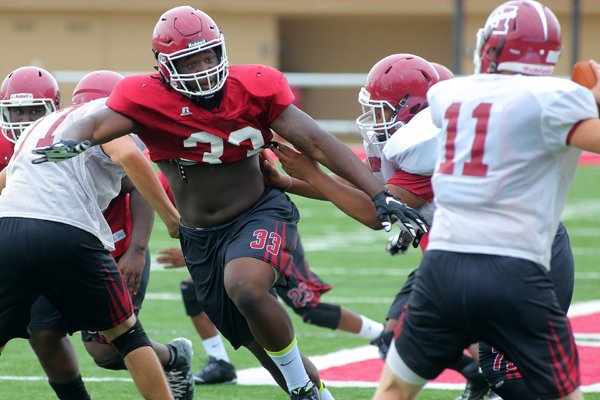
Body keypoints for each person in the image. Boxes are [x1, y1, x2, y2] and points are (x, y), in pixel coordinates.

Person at [30, 6, 428, 399]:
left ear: (222, 50)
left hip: (258, 212)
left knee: (247, 286)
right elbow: (97, 122)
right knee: (260, 343)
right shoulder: (145, 96)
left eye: (209, 56)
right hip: (200, 235)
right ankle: (314, 393)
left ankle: (302, 386)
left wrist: (379, 194)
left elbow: (316, 142)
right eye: (189, 62)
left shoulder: (254, 85)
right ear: (164, 66)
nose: (203, 68)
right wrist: (72, 138)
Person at [373, 0, 600, 398]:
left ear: (492, 45)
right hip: (515, 270)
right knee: (564, 394)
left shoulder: (448, 94)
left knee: (393, 388)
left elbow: (504, 113)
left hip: (443, 267)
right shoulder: (555, 97)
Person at [262, 55, 489, 400]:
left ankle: (487, 380)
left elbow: (374, 211)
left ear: (413, 111)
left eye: (382, 110)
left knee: (484, 349)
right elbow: (358, 188)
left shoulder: (430, 148)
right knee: (398, 337)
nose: (373, 120)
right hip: (448, 261)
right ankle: (481, 378)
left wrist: (311, 174)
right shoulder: (414, 146)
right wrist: (290, 181)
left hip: (478, 264)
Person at [0, 71, 183, 399]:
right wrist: (173, 221)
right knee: (126, 336)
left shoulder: (42, 126)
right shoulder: (104, 116)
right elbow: (129, 156)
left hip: (8, 228)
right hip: (66, 230)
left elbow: (6, 179)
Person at [156, 169, 385, 385]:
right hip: (222, 244)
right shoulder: (170, 177)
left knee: (308, 307)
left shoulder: (213, 159)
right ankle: (219, 360)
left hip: (259, 235)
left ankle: (382, 334)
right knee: (193, 291)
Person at [0, 66, 60, 171]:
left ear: (54, 108)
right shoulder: (2, 147)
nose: (25, 120)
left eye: (35, 111)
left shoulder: (64, 144)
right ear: (6, 112)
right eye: (18, 111)